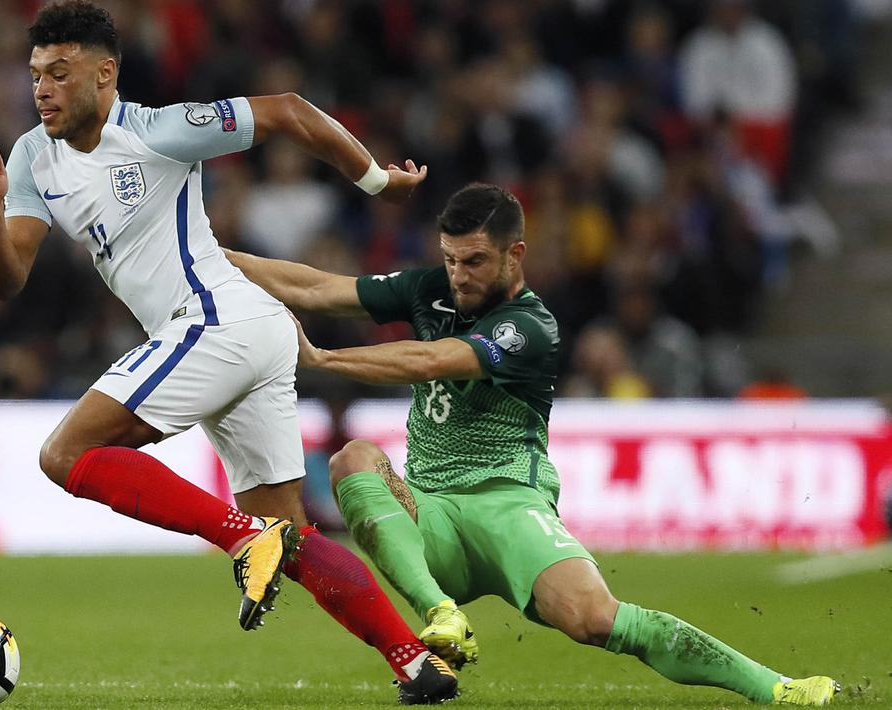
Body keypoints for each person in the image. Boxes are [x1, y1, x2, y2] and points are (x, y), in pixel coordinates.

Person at [0, 1, 457, 703]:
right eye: (37, 73)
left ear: (105, 75)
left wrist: (375, 181)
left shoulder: (159, 130)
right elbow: (7, 279)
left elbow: (284, 108)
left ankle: (239, 537)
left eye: (60, 73)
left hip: (216, 322)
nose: (42, 88)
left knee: (64, 456)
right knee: (293, 536)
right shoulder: (34, 157)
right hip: (239, 335)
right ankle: (415, 662)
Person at [227, 183, 840, 706]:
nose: (459, 277)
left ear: (515, 254)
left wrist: (326, 357)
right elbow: (311, 287)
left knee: (597, 619)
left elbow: (436, 358)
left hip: (509, 508)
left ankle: (776, 688)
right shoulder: (431, 289)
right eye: (449, 260)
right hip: (430, 514)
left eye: (474, 262)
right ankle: (439, 613)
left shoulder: (531, 327)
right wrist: (205, 254)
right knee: (353, 458)